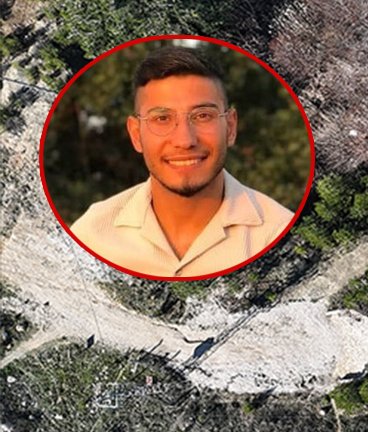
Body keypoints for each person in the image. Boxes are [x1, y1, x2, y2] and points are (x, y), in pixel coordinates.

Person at [70, 45, 294, 278]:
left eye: (202, 116)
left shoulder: (279, 232)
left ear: (230, 127)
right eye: (162, 118)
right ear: (136, 135)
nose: (184, 140)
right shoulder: (93, 234)